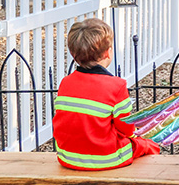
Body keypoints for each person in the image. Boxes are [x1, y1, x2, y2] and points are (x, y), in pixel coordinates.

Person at [52, 18, 159, 170]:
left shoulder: (65, 83)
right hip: (106, 158)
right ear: (108, 52)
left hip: (67, 157)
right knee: (148, 145)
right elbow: (126, 129)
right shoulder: (116, 86)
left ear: (72, 53)